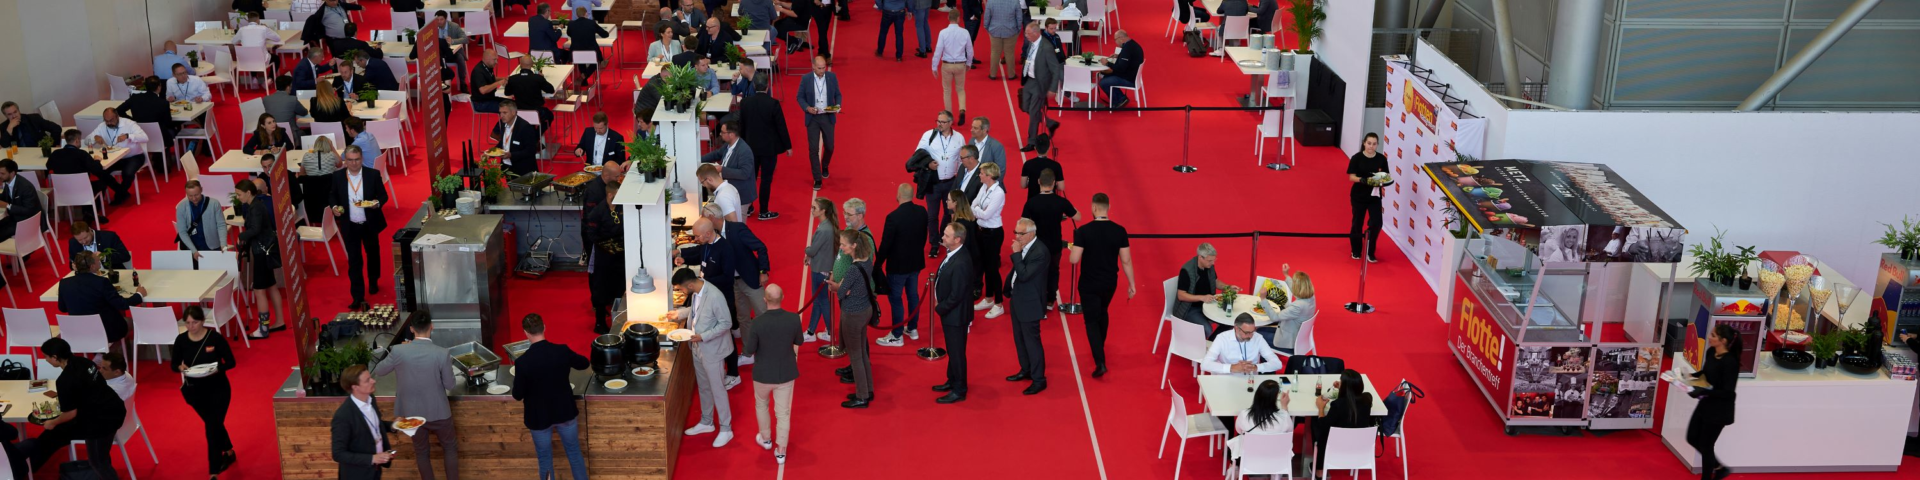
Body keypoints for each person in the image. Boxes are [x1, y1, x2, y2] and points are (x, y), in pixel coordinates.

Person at [19, 338, 126, 480]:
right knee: (100, 457)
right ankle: (26, 468)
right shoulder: (86, 362)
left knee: (98, 462)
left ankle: (22, 469)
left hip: (100, 421)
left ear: (55, 357)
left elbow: (70, 413)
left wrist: (52, 423)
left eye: (46, 356)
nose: (45, 360)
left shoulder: (65, 380)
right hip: (114, 408)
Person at [504, 315, 590, 480]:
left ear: (525, 332)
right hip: (565, 411)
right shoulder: (562, 351)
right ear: (544, 327)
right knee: (574, 453)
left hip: (538, 417)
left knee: (545, 460)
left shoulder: (522, 362)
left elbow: (517, 395)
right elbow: (584, 363)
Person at [372, 317, 459, 480]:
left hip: (412, 413)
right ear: (432, 326)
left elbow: (379, 370)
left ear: (411, 329)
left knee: (421, 452)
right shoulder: (442, 353)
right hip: (439, 411)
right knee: (449, 448)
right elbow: (450, 385)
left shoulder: (398, 351)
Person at [672, 266, 738, 447]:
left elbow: (726, 323)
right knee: (703, 387)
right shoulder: (697, 291)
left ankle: (726, 429)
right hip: (697, 347)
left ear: (689, 285)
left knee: (717, 389)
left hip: (712, 350)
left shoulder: (715, 296)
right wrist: (679, 313)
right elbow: (696, 312)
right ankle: (707, 421)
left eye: (681, 289)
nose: (681, 292)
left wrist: (703, 336)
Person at [1070, 193, 1134, 376]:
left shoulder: (1083, 231)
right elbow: (1126, 260)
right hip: (1109, 282)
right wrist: (1132, 283)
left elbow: (1074, 259)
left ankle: (1100, 362)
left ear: (1093, 207)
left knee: (1091, 321)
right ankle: (1100, 345)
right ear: (1109, 207)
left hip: (1089, 283)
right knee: (1103, 311)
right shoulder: (1120, 231)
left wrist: (1073, 248)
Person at [172, 305, 238, 477]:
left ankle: (213, 472)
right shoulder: (181, 340)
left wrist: (216, 369)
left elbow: (231, 362)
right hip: (195, 391)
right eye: (187, 323)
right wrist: (180, 367)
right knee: (214, 424)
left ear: (202, 321)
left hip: (218, 388)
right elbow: (174, 364)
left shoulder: (215, 338)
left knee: (211, 428)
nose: (191, 326)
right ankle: (229, 451)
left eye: (194, 322)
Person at [678, 219, 745, 383]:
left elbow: (727, 278)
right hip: (706, 294)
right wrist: (684, 259)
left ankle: (734, 374)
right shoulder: (706, 244)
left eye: (697, 236)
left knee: (726, 336)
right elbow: (701, 257)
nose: (695, 239)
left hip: (722, 298)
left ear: (708, 233)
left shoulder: (726, 249)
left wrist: (703, 283)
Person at [742, 284, 800, 463]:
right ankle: (781, 450)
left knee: (761, 405)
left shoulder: (757, 322)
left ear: (764, 300)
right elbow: (799, 341)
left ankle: (766, 439)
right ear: (782, 298)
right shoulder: (793, 318)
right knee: (783, 413)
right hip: (785, 373)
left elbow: (749, 350)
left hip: (763, 374)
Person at [331, 146, 388, 311]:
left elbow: (383, 195)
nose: (354, 163)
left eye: (356, 160)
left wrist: (377, 203)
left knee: (373, 253)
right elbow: (332, 195)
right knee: (354, 261)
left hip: (369, 223)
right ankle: (357, 296)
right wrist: (334, 207)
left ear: (361, 159)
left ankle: (373, 280)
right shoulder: (338, 176)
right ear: (345, 161)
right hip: (350, 225)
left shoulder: (372, 174)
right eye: (350, 160)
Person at [827, 228, 879, 408]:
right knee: (862, 353)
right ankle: (868, 390)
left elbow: (841, 293)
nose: (841, 248)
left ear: (854, 246)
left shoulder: (852, 270)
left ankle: (862, 396)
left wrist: (838, 287)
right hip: (865, 310)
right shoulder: (867, 262)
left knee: (856, 356)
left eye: (843, 245)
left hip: (853, 315)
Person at [1684, 323, 1741, 480]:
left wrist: (1703, 391)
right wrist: (1691, 376)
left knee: (1706, 445)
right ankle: (1720, 468)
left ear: (1723, 341)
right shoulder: (1711, 352)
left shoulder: (1730, 363)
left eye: (1713, 335)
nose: (1709, 337)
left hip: (1719, 411)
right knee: (1692, 437)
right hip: (1706, 404)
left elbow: (1728, 393)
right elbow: (1706, 373)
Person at [874, 184, 928, 346]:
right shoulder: (922, 212)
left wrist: (878, 264)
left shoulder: (893, 217)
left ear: (899, 195)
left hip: (897, 267)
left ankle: (897, 335)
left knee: (896, 298)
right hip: (916, 263)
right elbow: (924, 235)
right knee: (913, 295)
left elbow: (886, 244)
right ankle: (912, 328)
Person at [929, 221, 977, 403]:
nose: (942, 237)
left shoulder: (961, 262)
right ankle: (952, 380)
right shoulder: (954, 253)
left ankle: (959, 389)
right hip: (952, 313)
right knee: (953, 350)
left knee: (956, 353)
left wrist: (940, 307)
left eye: (946, 235)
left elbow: (957, 295)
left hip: (955, 316)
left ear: (957, 240)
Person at [235, 180, 288, 339]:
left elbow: (255, 229)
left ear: (248, 193)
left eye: (239, 194)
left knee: (259, 290)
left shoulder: (255, 208)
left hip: (261, 253)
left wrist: (241, 236)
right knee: (271, 286)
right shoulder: (256, 205)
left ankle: (263, 329)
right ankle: (279, 321)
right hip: (266, 250)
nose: (237, 197)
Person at [1004, 217, 1051, 394]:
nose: (1017, 236)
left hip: (1030, 303)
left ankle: (1039, 379)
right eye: (1015, 232)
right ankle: (1026, 369)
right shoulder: (1026, 245)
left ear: (1031, 234)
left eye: (1020, 233)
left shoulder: (1040, 252)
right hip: (1018, 299)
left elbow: (1024, 275)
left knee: (1032, 342)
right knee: (1020, 339)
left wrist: (1016, 254)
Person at [56, 251, 143, 346]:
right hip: (107, 331)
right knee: (131, 322)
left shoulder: (64, 283)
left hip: (80, 331)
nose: (99, 261)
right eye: (98, 260)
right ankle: (114, 349)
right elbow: (122, 304)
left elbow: (63, 308)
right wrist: (139, 294)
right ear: (92, 266)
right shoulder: (101, 282)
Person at [737, 76, 791, 219]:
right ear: (767, 87)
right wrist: (788, 146)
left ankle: (748, 207)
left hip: (750, 148)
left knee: (750, 179)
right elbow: (781, 126)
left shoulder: (745, 102)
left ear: (754, 86)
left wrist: (740, 144)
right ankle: (763, 211)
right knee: (766, 180)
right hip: (769, 149)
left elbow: (741, 125)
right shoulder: (773, 103)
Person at [330, 365, 395, 480]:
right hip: (356, 474)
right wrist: (372, 458)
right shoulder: (343, 416)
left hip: (375, 470)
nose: (373, 381)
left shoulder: (371, 399)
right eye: (367, 380)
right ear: (355, 387)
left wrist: (393, 426)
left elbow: (372, 425)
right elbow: (338, 453)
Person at [1021, 170, 1076, 306]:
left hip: (1037, 244)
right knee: (1053, 270)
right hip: (1055, 243)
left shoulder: (1031, 202)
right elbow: (1078, 216)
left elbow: (1023, 223)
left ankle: (1037, 298)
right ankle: (1051, 299)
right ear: (1054, 183)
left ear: (1038, 181)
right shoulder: (1061, 202)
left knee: (1036, 271)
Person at [791, 57, 843, 191]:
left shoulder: (832, 77)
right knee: (813, 149)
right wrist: (807, 108)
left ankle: (825, 165)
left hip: (827, 116)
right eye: (819, 68)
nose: (822, 70)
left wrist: (837, 105)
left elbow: (838, 94)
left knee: (830, 146)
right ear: (813, 66)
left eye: (824, 67)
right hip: (812, 118)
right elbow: (799, 97)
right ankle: (817, 178)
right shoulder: (806, 79)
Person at [918, 111, 963, 255]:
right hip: (933, 182)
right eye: (938, 121)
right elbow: (918, 154)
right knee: (932, 215)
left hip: (951, 182)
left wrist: (961, 180)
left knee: (949, 213)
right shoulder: (928, 135)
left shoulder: (959, 138)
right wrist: (928, 164)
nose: (939, 124)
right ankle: (933, 243)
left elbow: (961, 159)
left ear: (950, 123)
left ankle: (942, 237)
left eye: (943, 122)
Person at [47, 129, 129, 207]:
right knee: (104, 180)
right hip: (82, 190)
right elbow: (96, 169)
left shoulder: (55, 154)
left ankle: (122, 192)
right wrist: (97, 161)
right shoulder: (81, 154)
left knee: (104, 176)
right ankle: (92, 209)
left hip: (63, 191)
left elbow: (48, 166)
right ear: (77, 140)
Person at [969, 158, 1008, 319]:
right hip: (981, 231)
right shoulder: (984, 187)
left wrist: (978, 211)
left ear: (990, 176)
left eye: (982, 173)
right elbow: (973, 205)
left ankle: (999, 303)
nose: (979, 175)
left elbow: (986, 214)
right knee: (985, 266)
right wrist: (979, 210)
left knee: (992, 269)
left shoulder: (998, 193)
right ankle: (989, 298)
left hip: (993, 234)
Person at [584, 181, 625, 333]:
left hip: (620, 254)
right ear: (610, 195)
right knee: (601, 288)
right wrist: (607, 245)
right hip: (603, 255)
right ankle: (600, 322)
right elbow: (591, 235)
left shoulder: (622, 208)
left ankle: (620, 319)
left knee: (620, 285)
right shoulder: (597, 212)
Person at [1313, 369, 1378, 464]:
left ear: (1345, 387)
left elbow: (1323, 425)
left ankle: (1319, 468)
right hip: (1359, 446)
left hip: (1336, 446)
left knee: (1316, 424)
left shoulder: (1337, 405)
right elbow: (1360, 396)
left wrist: (1321, 408)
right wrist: (1343, 388)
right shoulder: (1367, 399)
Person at [800, 198, 841, 342]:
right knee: (818, 301)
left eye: (814, 208)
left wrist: (807, 251)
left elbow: (812, 250)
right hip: (823, 267)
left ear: (823, 211)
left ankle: (830, 332)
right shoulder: (828, 225)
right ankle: (811, 331)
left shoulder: (824, 229)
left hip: (820, 270)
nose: (812, 210)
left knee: (822, 301)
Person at [1019, 23, 1063, 149]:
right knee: (1024, 106)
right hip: (1029, 80)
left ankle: (1032, 141)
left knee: (1033, 112)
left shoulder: (1047, 48)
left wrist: (1052, 89)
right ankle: (1050, 123)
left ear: (1036, 33)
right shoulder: (1031, 43)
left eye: (1028, 33)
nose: (1026, 35)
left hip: (1040, 84)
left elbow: (1055, 69)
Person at [1349, 132, 1389, 262]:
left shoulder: (1381, 159)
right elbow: (1351, 177)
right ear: (1364, 143)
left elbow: (1386, 177)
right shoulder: (1356, 158)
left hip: (1374, 197)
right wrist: (1363, 180)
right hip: (1358, 196)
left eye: (1374, 144)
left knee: (1377, 223)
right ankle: (1356, 250)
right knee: (1357, 223)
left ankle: (1369, 251)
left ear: (1377, 145)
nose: (1371, 146)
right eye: (1369, 143)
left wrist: (1382, 181)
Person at [1175, 243, 1233, 331]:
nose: (1213, 263)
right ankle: (1208, 340)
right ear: (1200, 257)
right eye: (1210, 260)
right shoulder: (1187, 270)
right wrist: (1202, 298)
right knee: (1207, 329)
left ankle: (1214, 339)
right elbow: (1181, 295)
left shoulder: (1209, 266)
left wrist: (1228, 287)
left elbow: (1215, 281)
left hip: (1208, 305)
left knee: (1228, 322)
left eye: (1214, 260)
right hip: (1190, 308)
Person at [702, 121, 758, 212]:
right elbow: (716, 154)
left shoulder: (744, 151)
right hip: (729, 192)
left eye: (722, 132)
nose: (720, 134)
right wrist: (698, 160)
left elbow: (744, 173)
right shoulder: (728, 145)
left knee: (737, 221)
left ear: (731, 134)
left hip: (740, 196)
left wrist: (722, 169)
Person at [1204, 314, 1285, 374]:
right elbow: (1205, 364)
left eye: (1252, 332)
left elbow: (1277, 364)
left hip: (1250, 380)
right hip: (1227, 378)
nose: (1250, 336)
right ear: (1236, 328)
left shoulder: (1258, 338)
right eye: (1247, 333)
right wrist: (1232, 368)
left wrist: (1255, 367)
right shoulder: (1222, 338)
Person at [1257, 271, 1316, 353]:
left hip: (1288, 344)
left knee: (1255, 336)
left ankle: (1266, 359)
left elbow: (1275, 317)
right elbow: (1296, 290)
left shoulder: (1297, 306)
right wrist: (1286, 275)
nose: (1293, 284)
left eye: (1294, 283)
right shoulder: (1311, 297)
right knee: (1259, 329)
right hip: (1296, 337)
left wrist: (1263, 299)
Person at [932, 13, 974, 121]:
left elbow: (938, 50)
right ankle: (962, 110)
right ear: (958, 18)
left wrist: (934, 66)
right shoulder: (965, 32)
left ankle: (949, 116)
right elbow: (970, 50)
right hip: (960, 64)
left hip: (947, 65)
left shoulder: (943, 32)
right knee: (960, 89)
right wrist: (969, 63)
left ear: (948, 18)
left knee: (947, 90)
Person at [0, 159, 45, 245]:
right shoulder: (8, 182)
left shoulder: (25, 187)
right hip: (15, 218)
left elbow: (29, 210)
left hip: (28, 222)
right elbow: (4, 196)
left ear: (12, 173)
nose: (0, 176)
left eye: (2, 174)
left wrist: (7, 205)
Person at [176, 180, 228, 253]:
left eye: (196, 195)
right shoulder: (181, 207)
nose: (194, 198)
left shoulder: (214, 204)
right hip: (192, 248)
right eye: (190, 196)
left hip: (213, 246)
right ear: (186, 193)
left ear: (201, 189)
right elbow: (182, 231)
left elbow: (221, 225)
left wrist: (223, 244)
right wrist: (193, 250)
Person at [492, 103, 542, 176]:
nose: (501, 116)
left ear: (513, 112)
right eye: (500, 113)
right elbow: (502, 142)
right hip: (507, 167)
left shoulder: (525, 127)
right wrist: (491, 152)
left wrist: (511, 155)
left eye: (505, 113)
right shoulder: (503, 124)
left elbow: (531, 150)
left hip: (523, 171)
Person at [299, 135, 343, 219]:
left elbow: (301, 174)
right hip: (329, 190)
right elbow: (340, 164)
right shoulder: (332, 155)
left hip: (311, 193)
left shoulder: (306, 155)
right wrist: (332, 147)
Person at [506, 56, 557, 128]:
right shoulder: (538, 78)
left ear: (520, 64)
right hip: (537, 112)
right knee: (550, 115)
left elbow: (507, 93)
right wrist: (542, 78)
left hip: (519, 113)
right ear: (532, 65)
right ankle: (537, 133)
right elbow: (551, 90)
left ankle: (531, 132)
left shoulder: (512, 79)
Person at [1099, 30, 1143, 107]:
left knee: (1103, 82)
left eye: (1115, 39)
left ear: (1121, 38)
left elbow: (1120, 68)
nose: (1115, 42)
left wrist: (1107, 63)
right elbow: (1128, 59)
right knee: (1105, 76)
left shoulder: (1127, 49)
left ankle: (1120, 100)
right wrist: (1119, 56)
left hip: (1129, 78)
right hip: (1133, 75)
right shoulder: (1132, 44)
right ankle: (1118, 97)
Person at [566, 6, 611, 81]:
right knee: (596, 61)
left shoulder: (571, 24)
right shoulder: (591, 23)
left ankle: (583, 77)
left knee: (580, 58)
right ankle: (586, 75)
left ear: (576, 15)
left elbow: (569, 34)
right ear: (586, 14)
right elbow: (604, 35)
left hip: (575, 53)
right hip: (591, 52)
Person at [982, 0, 1021, 78]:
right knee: (1009, 53)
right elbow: (1019, 18)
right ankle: (1011, 75)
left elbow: (986, 17)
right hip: (1011, 31)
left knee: (995, 52)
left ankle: (992, 74)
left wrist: (987, 28)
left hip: (994, 30)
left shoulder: (991, 1)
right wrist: (1018, 29)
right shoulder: (1015, 1)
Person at [968, 117, 1007, 186]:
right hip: (972, 183)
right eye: (972, 127)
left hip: (986, 184)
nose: (971, 130)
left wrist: (991, 187)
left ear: (984, 130)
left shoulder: (996, 146)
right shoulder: (971, 141)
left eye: (975, 128)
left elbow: (1000, 170)